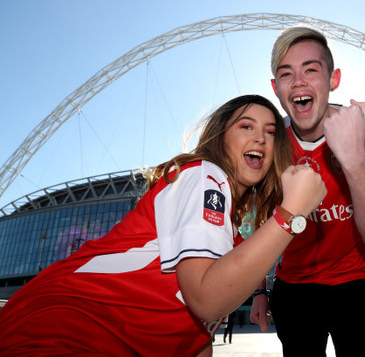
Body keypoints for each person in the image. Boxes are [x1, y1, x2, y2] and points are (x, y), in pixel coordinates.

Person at [0, 95, 327, 357]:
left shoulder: (232, 236)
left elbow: (196, 336)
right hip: (58, 333)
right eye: (246, 125)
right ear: (219, 137)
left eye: (271, 132)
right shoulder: (205, 174)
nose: (261, 137)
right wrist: (291, 214)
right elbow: (206, 298)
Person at [250, 27, 365, 357]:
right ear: (276, 88)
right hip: (295, 286)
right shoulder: (270, 142)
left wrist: (353, 156)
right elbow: (260, 222)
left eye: (311, 70)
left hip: (355, 282)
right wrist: (259, 292)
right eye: (286, 74)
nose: (299, 82)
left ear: (334, 79)